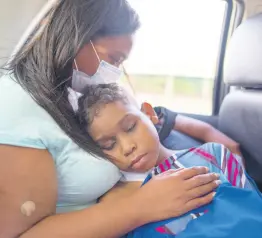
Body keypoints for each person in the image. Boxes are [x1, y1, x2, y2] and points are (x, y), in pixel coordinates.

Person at [0, 1, 232, 237]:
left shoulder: (68, 92)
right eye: (113, 58)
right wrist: (141, 205)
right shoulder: (15, 104)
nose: (113, 72)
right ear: (77, 36)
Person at [77, 83, 253, 236]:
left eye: (130, 127)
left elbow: (253, 208)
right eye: (108, 145)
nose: (127, 147)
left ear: (149, 113)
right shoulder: (117, 200)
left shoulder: (214, 155)